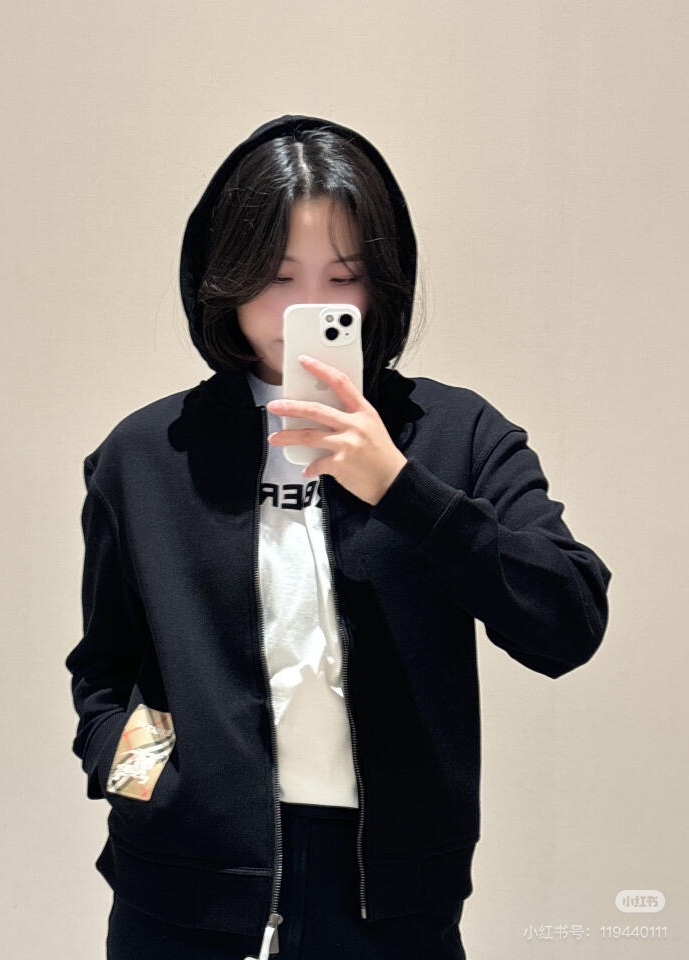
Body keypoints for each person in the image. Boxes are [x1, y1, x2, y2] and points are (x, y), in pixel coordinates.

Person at [66, 115, 610, 960]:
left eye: (342, 278)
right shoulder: (145, 456)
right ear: (223, 278)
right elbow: (107, 667)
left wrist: (401, 489)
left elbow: (567, 621)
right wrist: (146, 781)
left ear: (382, 288)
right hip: (179, 889)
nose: (306, 307)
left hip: (392, 902)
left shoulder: (453, 435)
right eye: (276, 276)